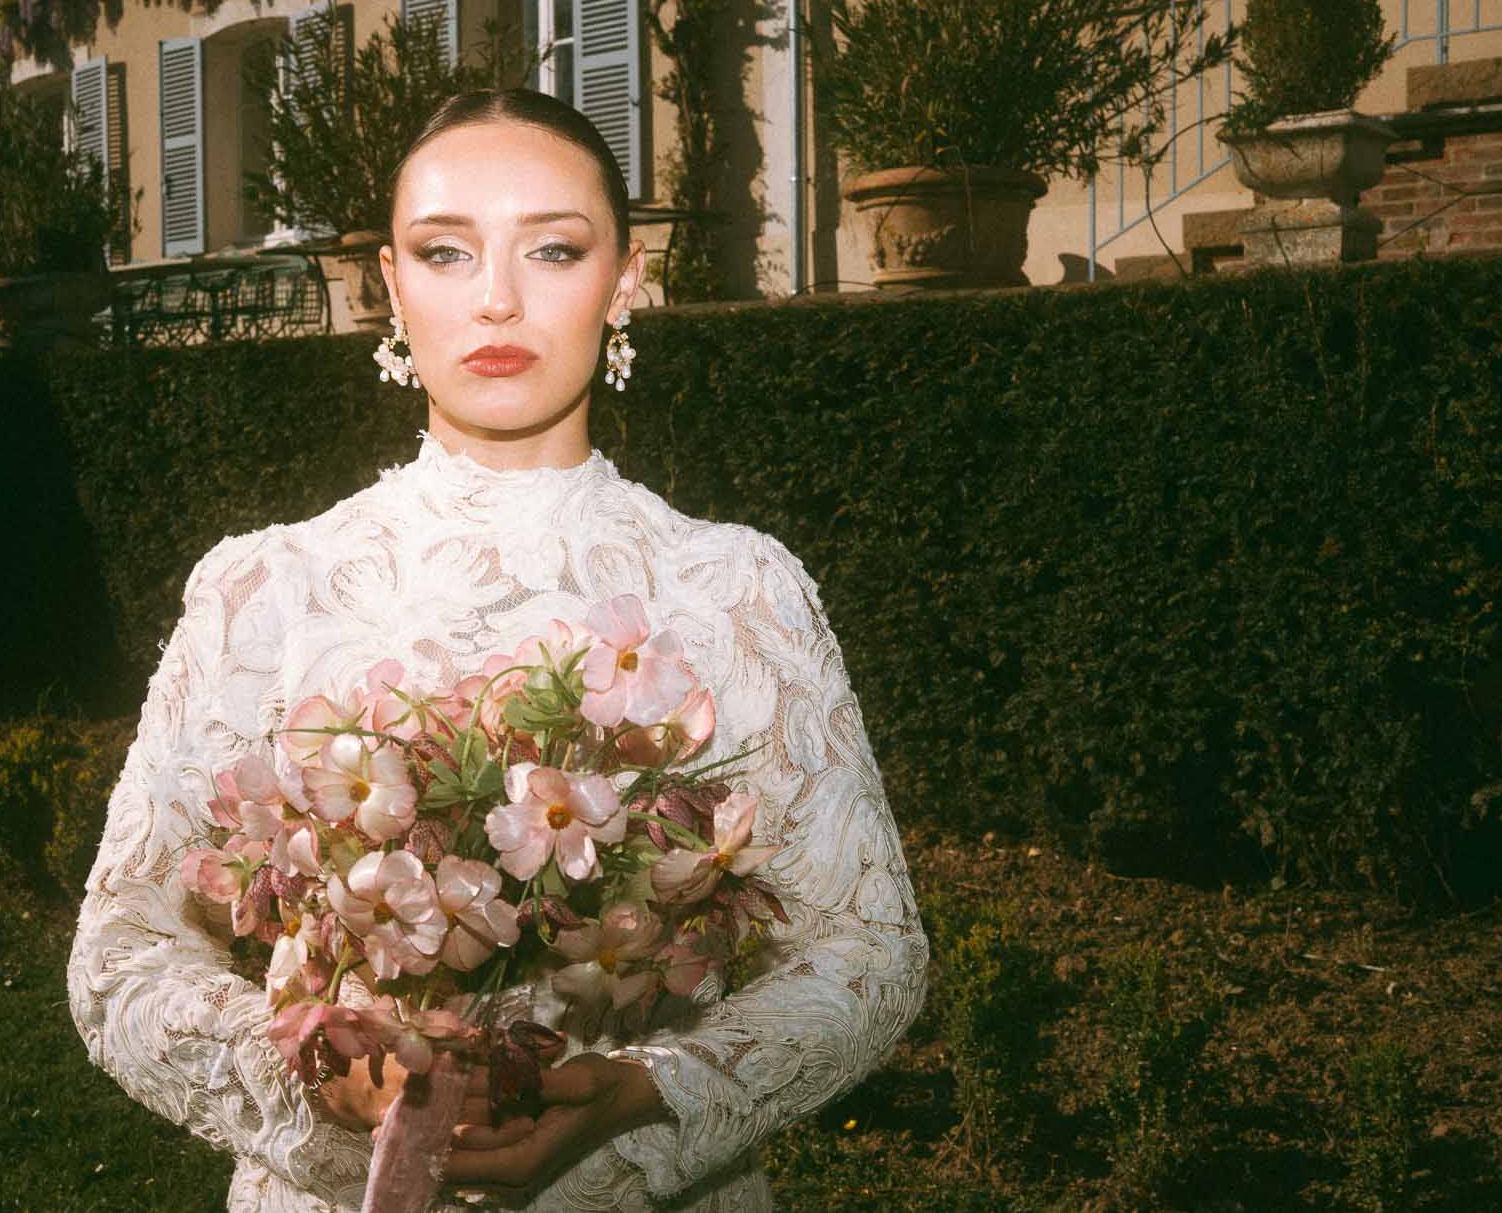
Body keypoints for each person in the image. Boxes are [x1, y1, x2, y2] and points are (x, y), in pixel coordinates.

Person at [66, 88, 929, 1211]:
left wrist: (635, 1094)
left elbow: (867, 956)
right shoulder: (265, 588)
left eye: (554, 250)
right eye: (445, 252)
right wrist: (312, 1070)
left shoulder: (735, 590)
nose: (496, 300)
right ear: (389, 285)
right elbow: (121, 949)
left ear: (625, 279)